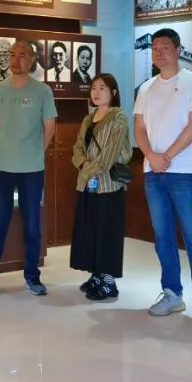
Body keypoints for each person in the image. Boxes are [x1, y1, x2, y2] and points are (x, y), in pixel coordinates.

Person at [134, 28, 192, 331]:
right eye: (155, 48)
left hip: (183, 171)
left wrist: (167, 156)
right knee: (162, 236)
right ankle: (172, 293)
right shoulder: (145, 88)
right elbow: (139, 128)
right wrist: (151, 156)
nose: (159, 52)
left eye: (165, 47)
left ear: (178, 50)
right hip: (153, 171)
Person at [0, 40, 57, 296]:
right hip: (2, 166)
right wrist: (7, 146)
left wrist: (36, 152)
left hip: (32, 168)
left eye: (22, 55)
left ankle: (32, 276)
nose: (15, 59)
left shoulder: (42, 91)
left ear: (31, 60)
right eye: (12, 55)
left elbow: (49, 126)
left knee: (32, 225)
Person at [70, 74, 132, 301]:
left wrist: (87, 169)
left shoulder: (119, 117)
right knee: (90, 229)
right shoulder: (88, 118)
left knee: (107, 232)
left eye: (102, 88)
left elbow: (109, 156)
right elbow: (77, 149)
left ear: (113, 93)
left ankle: (109, 281)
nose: (96, 92)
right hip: (88, 184)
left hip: (108, 185)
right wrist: (83, 165)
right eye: (94, 88)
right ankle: (96, 274)